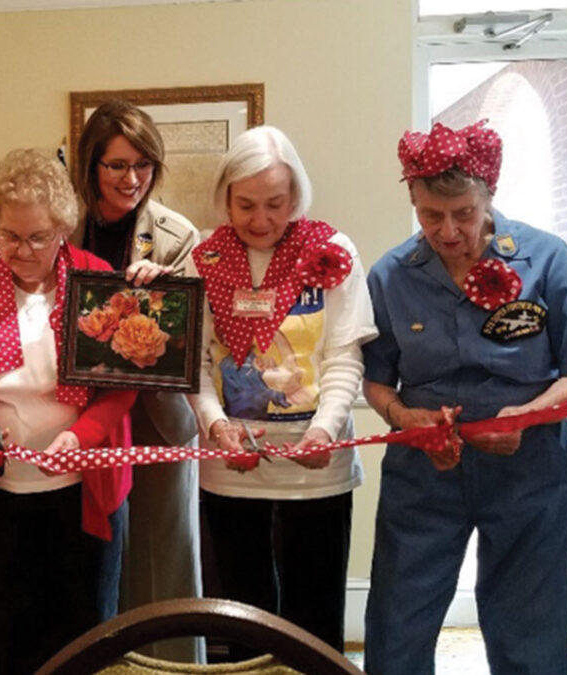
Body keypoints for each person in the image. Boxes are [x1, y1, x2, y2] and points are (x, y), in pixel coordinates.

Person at [361, 120, 567, 674]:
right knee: (399, 617)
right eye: (431, 215)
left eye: (464, 213)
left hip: (529, 466)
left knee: (529, 621)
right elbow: (376, 380)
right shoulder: (390, 275)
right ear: (412, 199)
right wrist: (402, 414)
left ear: (489, 196)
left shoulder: (546, 258)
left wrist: (530, 415)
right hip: (423, 468)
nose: (449, 230)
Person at [0, 149, 136, 675]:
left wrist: (83, 437)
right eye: (10, 236)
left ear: (63, 228)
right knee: (14, 636)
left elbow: (120, 386)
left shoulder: (95, 278)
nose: (23, 251)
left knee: (86, 633)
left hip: (83, 485)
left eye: (39, 237)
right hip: (1, 491)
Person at [185, 126, 378, 654]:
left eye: (276, 203)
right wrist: (215, 423)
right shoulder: (205, 255)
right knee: (243, 621)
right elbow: (194, 363)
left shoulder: (332, 250)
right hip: (230, 467)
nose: (261, 220)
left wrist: (324, 429)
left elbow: (343, 355)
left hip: (317, 470)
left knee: (314, 616)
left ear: (297, 196)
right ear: (225, 197)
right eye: (245, 205)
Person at [71, 99, 203, 661]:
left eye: (144, 165)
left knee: (163, 558)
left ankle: (170, 670)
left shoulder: (175, 236)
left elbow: (195, 342)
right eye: (117, 165)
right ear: (89, 165)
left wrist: (164, 294)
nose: (132, 179)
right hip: (75, 418)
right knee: (86, 555)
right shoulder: (61, 224)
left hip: (155, 422)